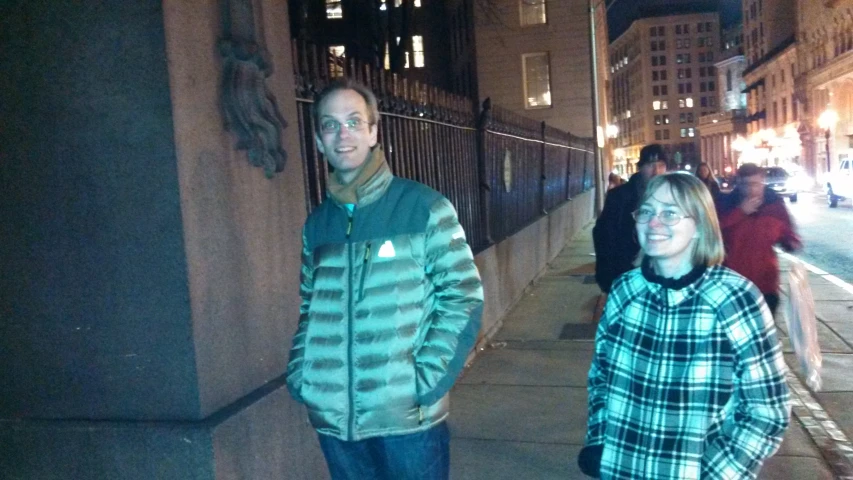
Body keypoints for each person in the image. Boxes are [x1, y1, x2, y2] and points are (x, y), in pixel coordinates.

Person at [285, 78, 484, 480]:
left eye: (354, 121)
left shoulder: (424, 207)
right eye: (330, 125)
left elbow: (463, 295)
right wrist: (303, 373)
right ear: (319, 139)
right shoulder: (318, 225)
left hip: (406, 423)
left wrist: (423, 381)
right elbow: (309, 306)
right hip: (336, 422)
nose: (343, 135)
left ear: (374, 131)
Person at [579, 172, 791, 479]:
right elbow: (601, 377)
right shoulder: (625, 291)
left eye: (670, 213)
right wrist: (599, 441)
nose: (653, 222)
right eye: (647, 211)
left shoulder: (734, 299)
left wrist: (717, 473)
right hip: (622, 468)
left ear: (699, 226)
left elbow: (766, 410)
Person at [717, 163, 801, 316]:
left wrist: (790, 242)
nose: (750, 189)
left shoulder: (774, 205)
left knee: (765, 333)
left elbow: (789, 236)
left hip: (765, 284)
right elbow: (714, 232)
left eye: (755, 184)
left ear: (762, 181)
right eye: (745, 185)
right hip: (733, 283)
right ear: (738, 183)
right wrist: (740, 212)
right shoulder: (726, 204)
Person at [593, 144, 668, 293]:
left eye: (661, 165)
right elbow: (603, 236)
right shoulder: (619, 197)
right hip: (627, 273)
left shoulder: (672, 196)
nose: (656, 171)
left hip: (662, 275)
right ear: (640, 167)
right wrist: (608, 278)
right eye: (650, 165)